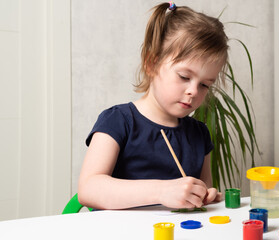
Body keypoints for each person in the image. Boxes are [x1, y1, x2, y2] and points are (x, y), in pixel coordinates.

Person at [78, 1, 229, 210]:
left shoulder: (199, 134)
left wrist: (204, 195)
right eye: (184, 76)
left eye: (204, 84)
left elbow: (202, 190)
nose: (194, 91)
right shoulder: (118, 121)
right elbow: (88, 189)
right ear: (152, 64)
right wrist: (162, 191)